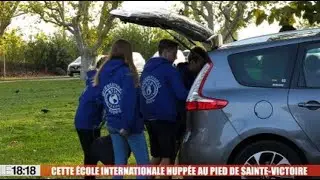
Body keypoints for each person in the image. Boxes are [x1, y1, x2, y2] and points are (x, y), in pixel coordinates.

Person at [93, 39, 149, 179]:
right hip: (129, 125)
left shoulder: (102, 71)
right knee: (143, 166)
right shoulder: (127, 72)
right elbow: (128, 102)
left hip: (112, 122)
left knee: (119, 164)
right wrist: (127, 125)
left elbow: (102, 97)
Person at [140, 39, 188, 178]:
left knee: (156, 155)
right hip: (165, 118)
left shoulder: (146, 70)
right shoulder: (169, 70)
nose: (175, 57)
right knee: (167, 157)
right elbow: (180, 93)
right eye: (174, 53)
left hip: (149, 117)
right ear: (166, 52)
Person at [173, 46, 210, 164]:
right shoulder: (181, 74)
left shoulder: (191, 73)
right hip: (178, 115)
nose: (203, 68)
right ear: (194, 61)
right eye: (202, 64)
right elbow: (184, 95)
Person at [74, 58, 105, 179]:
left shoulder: (92, 81)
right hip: (88, 124)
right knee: (92, 154)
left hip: (84, 122)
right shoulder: (98, 84)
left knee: (91, 153)